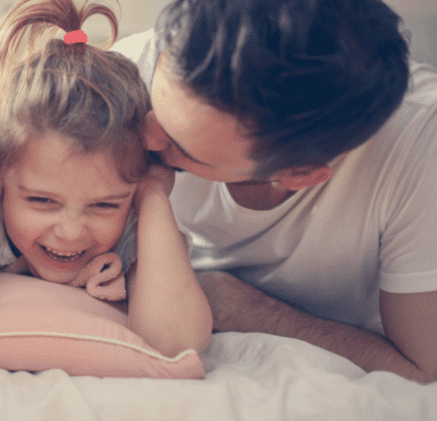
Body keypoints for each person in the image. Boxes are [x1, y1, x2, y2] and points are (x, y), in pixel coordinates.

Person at [111, 0, 437, 382]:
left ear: (300, 176)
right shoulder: (126, 75)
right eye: (154, 102)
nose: (143, 137)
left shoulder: (420, 147)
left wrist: (247, 309)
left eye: (180, 148)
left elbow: (422, 369)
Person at [0, 0, 212, 358]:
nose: (70, 232)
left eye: (104, 205)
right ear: (3, 175)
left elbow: (178, 343)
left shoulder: (136, 228)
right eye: (41, 201)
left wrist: (153, 195)